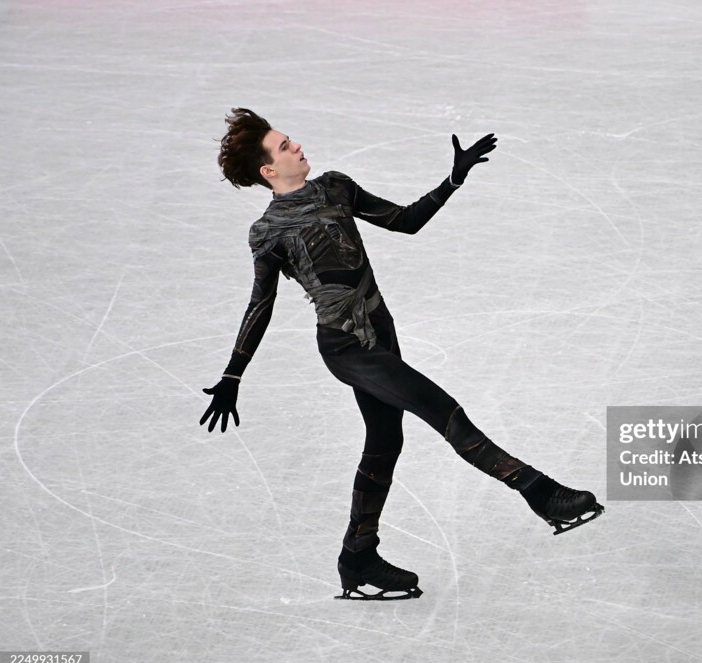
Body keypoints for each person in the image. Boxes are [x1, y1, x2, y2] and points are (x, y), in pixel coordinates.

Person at [200, 108, 603, 600]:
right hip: (347, 348)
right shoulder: (268, 232)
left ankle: (357, 556)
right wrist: (233, 375)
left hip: (381, 333)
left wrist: (453, 179)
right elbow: (260, 305)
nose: (297, 146)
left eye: (291, 139)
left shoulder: (336, 187)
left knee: (385, 440)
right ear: (268, 170)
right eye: (285, 146)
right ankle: (539, 492)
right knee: (443, 410)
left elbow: (405, 221)